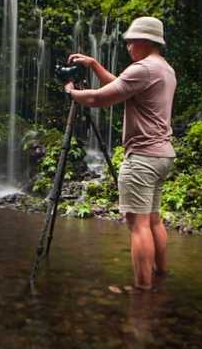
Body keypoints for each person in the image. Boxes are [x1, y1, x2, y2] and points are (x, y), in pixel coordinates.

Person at [64, 16, 177, 291]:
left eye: (130, 41)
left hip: (142, 157)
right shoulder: (164, 69)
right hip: (162, 156)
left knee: (137, 225)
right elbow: (122, 87)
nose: (127, 46)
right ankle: (160, 276)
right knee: (152, 219)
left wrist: (72, 92)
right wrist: (94, 65)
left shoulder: (142, 68)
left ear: (145, 41)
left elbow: (98, 99)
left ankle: (141, 290)